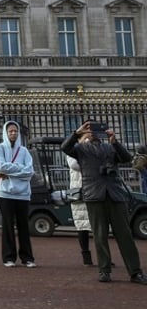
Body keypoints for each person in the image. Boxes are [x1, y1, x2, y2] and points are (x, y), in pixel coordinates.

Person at [61, 121, 147, 284]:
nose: (94, 133)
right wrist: (76, 133)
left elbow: (127, 158)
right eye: (91, 130)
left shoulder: (110, 147)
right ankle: (104, 270)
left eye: (97, 131)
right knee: (100, 235)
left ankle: (135, 272)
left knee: (125, 235)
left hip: (115, 194)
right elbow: (65, 148)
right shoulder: (81, 149)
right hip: (94, 195)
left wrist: (115, 142)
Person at [0, 120, 35, 268]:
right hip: (5, 194)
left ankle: (27, 257)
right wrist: (20, 169)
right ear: (6, 133)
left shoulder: (24, 151)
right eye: (10, 131)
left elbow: (30, 171)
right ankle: (8, 257)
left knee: (24, 225)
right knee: (8, 226)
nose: (13, 133)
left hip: (23, 194)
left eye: (15, 131)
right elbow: (0, 166)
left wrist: (10, 172)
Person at [65, 133, 94, 266]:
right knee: (82, 225)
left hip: (94, 190)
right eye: (85, 137)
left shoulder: (95, 149)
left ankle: (104, 256)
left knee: (99, 225)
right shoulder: (73, 150)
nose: (88, 140)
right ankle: (86, 256)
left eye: (90, 137)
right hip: (80, 191)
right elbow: (75, 165)